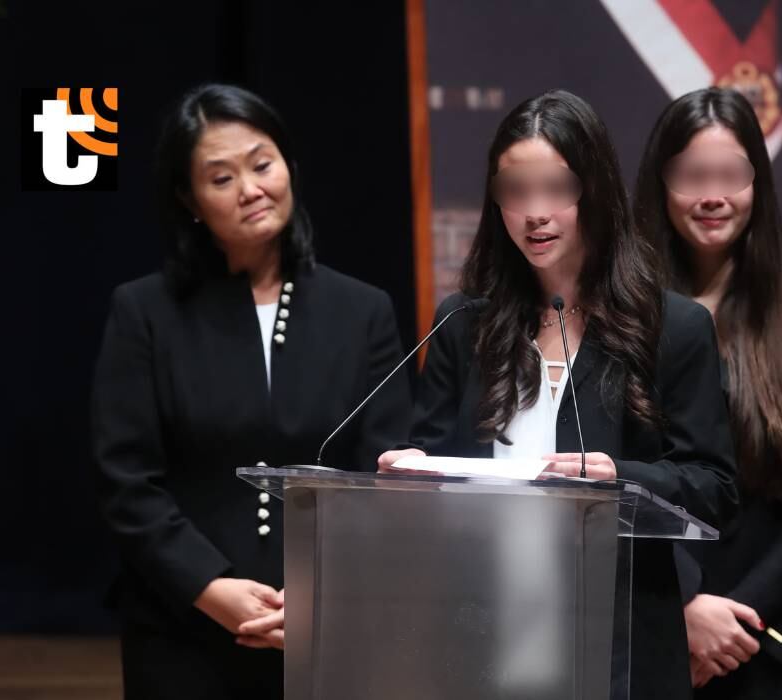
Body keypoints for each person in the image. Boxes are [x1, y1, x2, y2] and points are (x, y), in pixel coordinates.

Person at [373, 88, 739, 699]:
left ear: (594, 191)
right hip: (483, 626)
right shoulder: (464, 324)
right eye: (515, 191)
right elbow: (435, 462)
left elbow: (715, 486)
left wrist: (619, 477)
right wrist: (413, 474)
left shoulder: (670, 327)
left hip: (617, 633)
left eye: (556, 188)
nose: (535, 211)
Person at [91, 83, 411, 699]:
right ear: (189, 198)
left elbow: (386, 475)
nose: (250, 189)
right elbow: (125, 481)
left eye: (262, 164)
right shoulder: (144, 312)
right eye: (220, 178)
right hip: (182, 622)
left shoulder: (363, 311)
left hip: (331, 620)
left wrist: (322, 592)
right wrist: (211, 589)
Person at [633, 87, 782, 699]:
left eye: (732, 174)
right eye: (692, 175)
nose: (713, 195)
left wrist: (738, 616)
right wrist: (683, 610)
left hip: (778, 634)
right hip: (651, 631)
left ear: (759, 184)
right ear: (661, 183)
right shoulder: (619, 316)